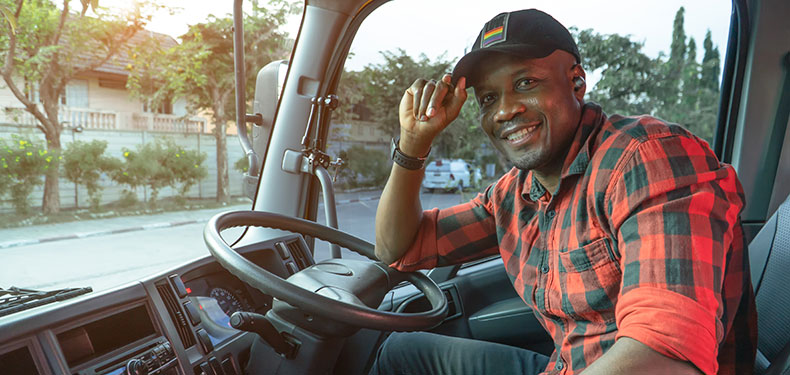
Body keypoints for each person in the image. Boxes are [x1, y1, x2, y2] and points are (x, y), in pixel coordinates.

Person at [370, 8, 756, 375]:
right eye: (489, 99)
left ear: (577, 81)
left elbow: (664, 357)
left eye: (525, 83)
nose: (504, 111)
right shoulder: (516, 194)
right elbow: (397, 248)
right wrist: (413, 145)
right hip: (566, 364)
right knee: (401, 353)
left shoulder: (648, 159)